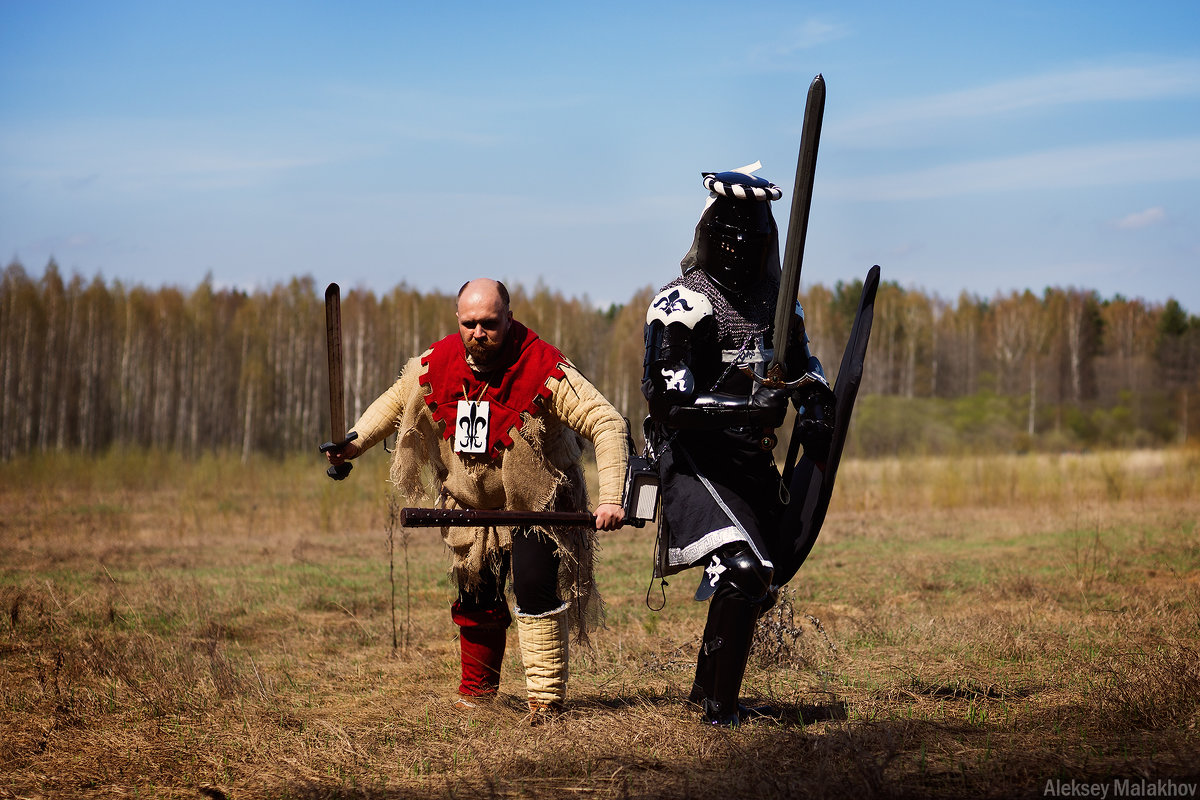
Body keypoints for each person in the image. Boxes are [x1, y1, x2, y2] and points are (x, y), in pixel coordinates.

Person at [326, 278, 628, 721]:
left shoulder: (544, 366)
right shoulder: (437, 364)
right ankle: (478, 694)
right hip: (471, 505)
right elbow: (394, 404)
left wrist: (612, 497)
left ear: (508, 316)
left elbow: (607, 422)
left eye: (489, 322)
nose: (478, 333)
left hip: (536, 503)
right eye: (470, 324)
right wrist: (352, 444)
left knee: (533, 591)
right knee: (476, 596)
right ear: (457, 319)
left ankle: (544, 704)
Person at [641, 166, 835, 726]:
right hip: (693, 460)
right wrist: (746, 407)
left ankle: (707, 694)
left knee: (755, 578)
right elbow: (667, 400)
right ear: (706, 232)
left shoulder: (780, 307)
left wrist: (817, 402)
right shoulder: (680, 304)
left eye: (749, 232)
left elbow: (804, 368)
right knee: (744, 569)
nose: (737, 243)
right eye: (725, 231)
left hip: (751, 462)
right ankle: (721, 717)